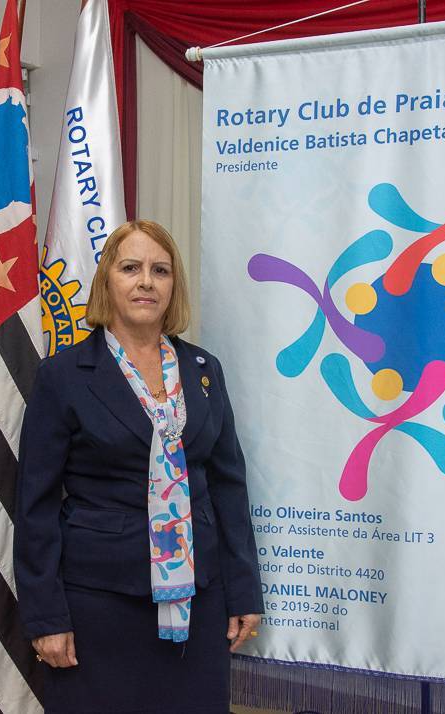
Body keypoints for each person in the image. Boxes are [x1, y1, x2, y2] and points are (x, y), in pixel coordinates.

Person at [14, 219, 264, 713]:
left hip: (199, 604)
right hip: (98, 607)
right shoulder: (63, 376)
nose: (146, 281)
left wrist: (243, 591)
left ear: (173, 286)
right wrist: (45, 616)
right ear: (107, 280)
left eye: (160, 270)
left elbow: (229, 488)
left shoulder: (204, 370)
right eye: (131, 268)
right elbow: (35, 505)